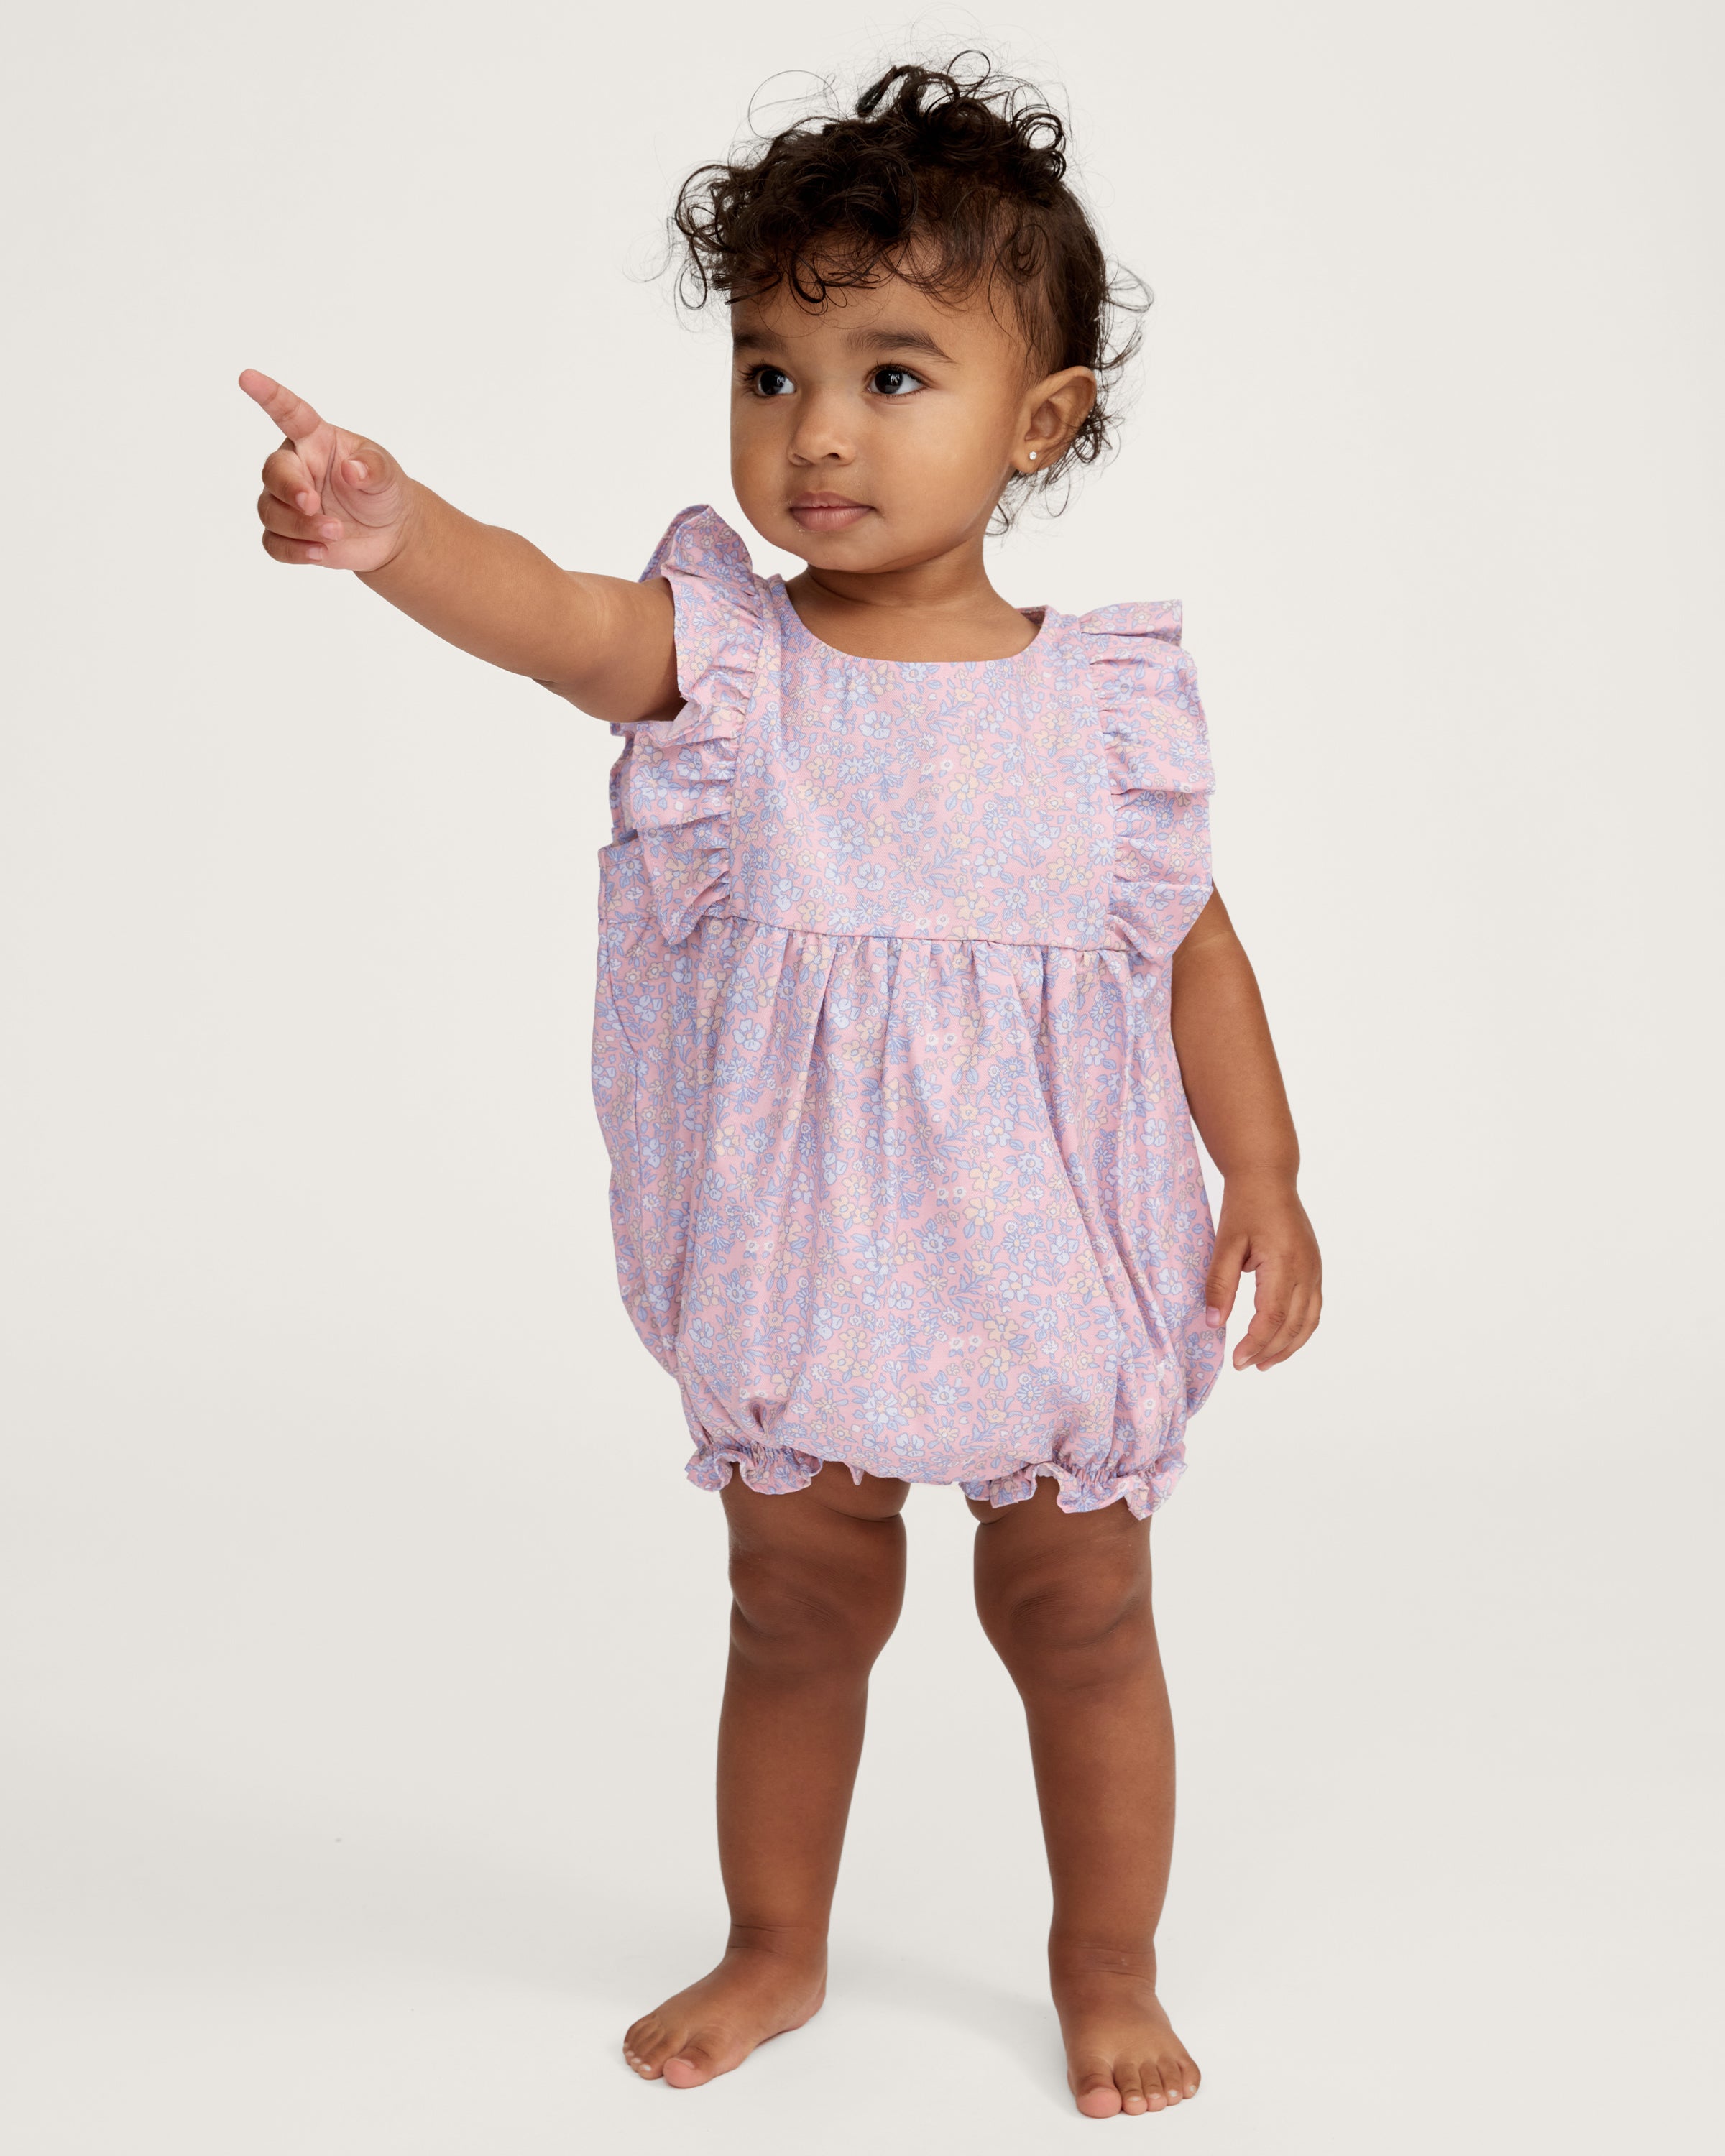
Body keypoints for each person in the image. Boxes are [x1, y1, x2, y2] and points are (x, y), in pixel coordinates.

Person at [239, 55, 1321, 2122]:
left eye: (891, 373)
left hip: (1053, 1245)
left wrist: (1262, 1169)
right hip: (806, 1242)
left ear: (1043, 420)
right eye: (768, 369)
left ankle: (1107, 1963)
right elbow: (544, 613)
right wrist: (393, 534)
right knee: (796, 1598)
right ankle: (776, 1941)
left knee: (1078, 1610)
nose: (814, 430)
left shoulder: (1105, 709)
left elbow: (1193, 945)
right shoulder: (722, 662)